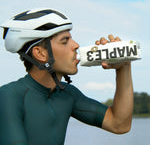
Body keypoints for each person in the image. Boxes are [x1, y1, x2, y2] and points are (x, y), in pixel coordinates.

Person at [0, 8, 133, 145]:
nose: (76, 45)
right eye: (65, 41)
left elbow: (119, 124)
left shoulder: (67, 94)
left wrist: (124, 66)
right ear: (40, 54)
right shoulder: (8, 96)